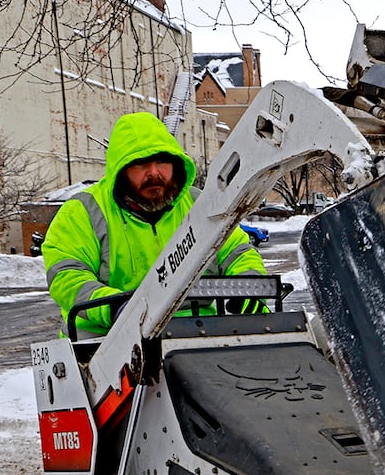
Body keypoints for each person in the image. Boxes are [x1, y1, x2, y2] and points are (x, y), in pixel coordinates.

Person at [42, 111, 267, 335]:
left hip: (197, 332)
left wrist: (250, 285)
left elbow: (237, 251)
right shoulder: (83, 212)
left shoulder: (200, 204)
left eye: (161, 161)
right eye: (140, 164)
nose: (154, 173)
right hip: (105, 338)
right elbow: (67, 276)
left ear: (175, 164)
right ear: (120, 170)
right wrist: (116, 309)